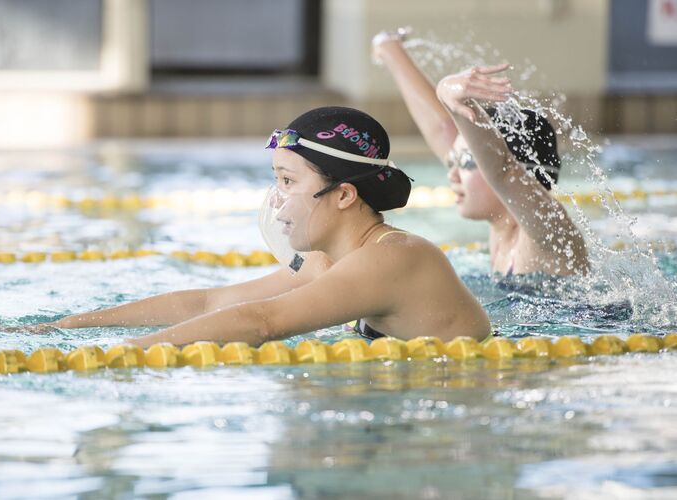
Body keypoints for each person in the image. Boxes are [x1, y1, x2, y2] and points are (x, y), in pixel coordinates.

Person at [37, 107, 491, 347]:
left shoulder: (395, 256)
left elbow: (262, 322)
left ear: (344, 195)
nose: (277, 197)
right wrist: (69, 326)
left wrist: (132, 351)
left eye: (288, 181)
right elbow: (210, 301)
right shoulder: (327, 262)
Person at [372, 30, 589, 276]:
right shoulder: (501, 224)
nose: (452, 174)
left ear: (522, 171)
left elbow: (502, 171)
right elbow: (441, 128)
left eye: (465, 162)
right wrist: (389, 49)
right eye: (454, 161)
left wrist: (451, 93)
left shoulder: (546, 230)